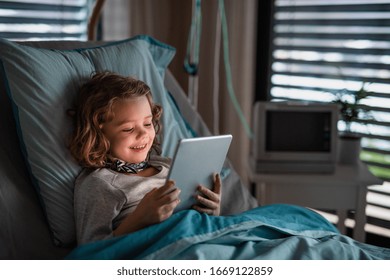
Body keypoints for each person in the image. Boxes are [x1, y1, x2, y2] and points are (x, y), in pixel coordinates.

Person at [68, 71, 222, 245]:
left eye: (148, 124)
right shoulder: (99, 184)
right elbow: (91, 253)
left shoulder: (169, 164)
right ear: (99, 134)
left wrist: (212, 210)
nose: (143, 134)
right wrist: (140, 219)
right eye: (128, 129)